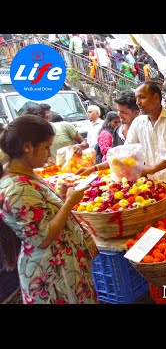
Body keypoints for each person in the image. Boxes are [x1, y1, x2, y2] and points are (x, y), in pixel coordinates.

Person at [0, 115, 98, 304]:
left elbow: (42, 214)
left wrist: (60, 198)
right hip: (51, 272)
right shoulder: (17, 188)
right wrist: (69, 203)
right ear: (27, 147)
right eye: (46, 147)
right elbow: (42, 237)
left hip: (62, 264)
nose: (49, 153)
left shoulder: (25, 174)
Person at [78, 81, 166, 218]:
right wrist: (95, 168)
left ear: (155, 97)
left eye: (142, 97)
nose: (138, 102)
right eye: (136, 98)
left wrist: (154, 168)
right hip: (159, 193)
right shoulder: (138, 123)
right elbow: (125, 154)